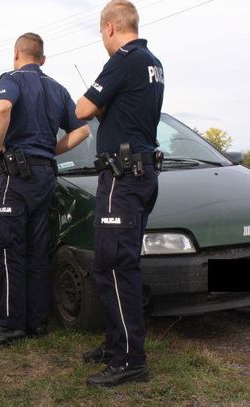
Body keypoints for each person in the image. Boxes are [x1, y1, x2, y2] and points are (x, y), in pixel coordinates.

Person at [0, 33, 90, 348]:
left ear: (16, 55)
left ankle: (12, 325)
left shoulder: (11, 78)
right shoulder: (58, 88)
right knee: (37, 250)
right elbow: (82, 130)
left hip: (15, 177)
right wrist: (49, 150)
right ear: (42, 58)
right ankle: (37, 322)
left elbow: (2, 109)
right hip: (44, 177)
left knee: (8, 249)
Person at [75, 0, 164, 387]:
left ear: (109, 28)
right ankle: (116, 344)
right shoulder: (152, 61)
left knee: (115, 268)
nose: (102, 39)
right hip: (140, 174)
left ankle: (131, 360)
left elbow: (82, 109)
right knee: (108, 265)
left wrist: (99, 106)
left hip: (122, 178)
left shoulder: (123, 58)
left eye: (101, 32)